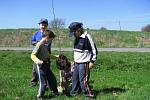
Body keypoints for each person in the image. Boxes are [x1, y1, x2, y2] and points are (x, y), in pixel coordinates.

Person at [68, 22, 98, 98]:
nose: (73, 35)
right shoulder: (77, 38)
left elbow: (94, 50)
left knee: (83, 80)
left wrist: (92, 61)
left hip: (84, 63)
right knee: (75, 79)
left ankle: (88, 94)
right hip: (76, 63)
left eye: (74, 32)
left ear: (79, 30)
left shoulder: (87, 37)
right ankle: (73, 93)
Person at [31, 30, 59, 98]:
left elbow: (47, 55)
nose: (51, 41)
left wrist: (56, 57)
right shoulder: (39, 44)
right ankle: (40, 96)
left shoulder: (45, 45)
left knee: (52, 79)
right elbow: (32, 55)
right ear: (47, 37)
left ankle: (55, 93)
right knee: (43, 83)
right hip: (39, 66)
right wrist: (38, 61)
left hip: (45, 65)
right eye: (51, 40)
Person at [31, 18, 51, 86]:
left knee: (46, 68)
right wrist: (36, 43)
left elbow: (49, 43)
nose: (43, 26)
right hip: (37, 54)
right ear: (39, 25)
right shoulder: (36, 33)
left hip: (46, 53)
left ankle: (45, 83)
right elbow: (32, 41)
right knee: (35, 69)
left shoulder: (48, 33)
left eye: (45, 25)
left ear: (47, 25)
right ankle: (34, 82)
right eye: (42, 25)